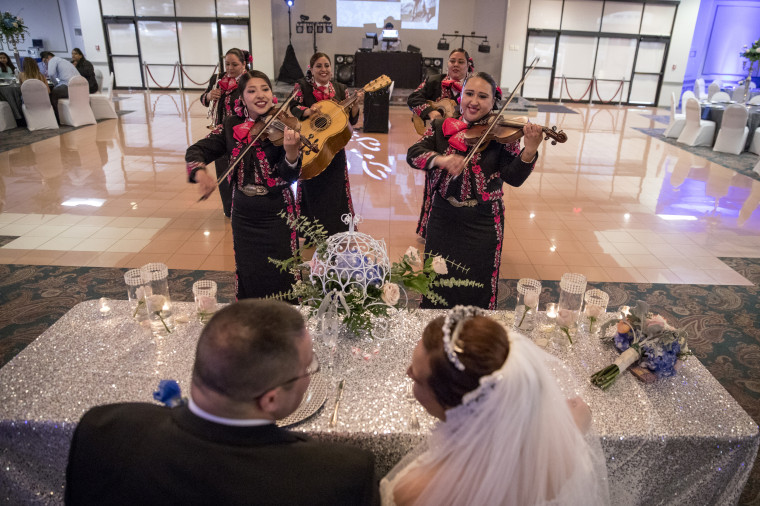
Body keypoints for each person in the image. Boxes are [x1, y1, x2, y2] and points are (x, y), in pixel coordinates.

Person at [66, 299, 379, 505]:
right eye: (308, 368)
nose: (311, 374)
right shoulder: (340, 476)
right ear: (271, 399)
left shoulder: (103, 428)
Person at [381, 306, 609, 506]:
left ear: (455, 405)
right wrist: (574, 425)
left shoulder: (415, 491)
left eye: (417, 378)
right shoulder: (558, 458)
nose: (407, 372)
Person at [406, 72, 542, 309]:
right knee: (437, 279)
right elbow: (413, 154)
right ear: (460, 97)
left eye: (482, 96)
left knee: (479, 283)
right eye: (469, 94)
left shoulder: (503, 135)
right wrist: (441, 160)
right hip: (443, 217)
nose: (474, 101)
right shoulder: (441, 127)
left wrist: (529, 150)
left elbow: (514, 177)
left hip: (483, 221)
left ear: (493, 102)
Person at [186, 70, 301, 301]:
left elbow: (290, 176)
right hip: (244, 214)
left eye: (265, 89)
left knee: (284, 271)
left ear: (272, 94)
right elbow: (195, 150)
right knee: (250, 270)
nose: (260, 95)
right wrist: (200, 172)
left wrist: (291, 153)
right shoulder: (230, 125)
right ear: (242, 98)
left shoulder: (284, 125)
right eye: (252, 90)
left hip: (277, 212)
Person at [289, 52, 362, 235]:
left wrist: (355, 106)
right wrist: (307, 112)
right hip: (310, 145)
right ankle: (312, 231)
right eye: (319, 66)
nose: (323, 69)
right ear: (311, 69)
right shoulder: (302, 86)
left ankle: (336, 229)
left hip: (333, 147)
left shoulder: (340, 88)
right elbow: (293, 107)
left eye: (326, 65)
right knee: (311, 187)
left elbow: (350, 122)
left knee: (335, 188)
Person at [407, 48, 473, 240]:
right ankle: (429, 228)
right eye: (452, 61)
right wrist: (430, 112)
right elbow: (413, 98)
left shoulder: (474, 84)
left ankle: (459, 230)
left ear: (468, 65)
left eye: (460, 61)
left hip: (467, 140)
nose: (455, 65)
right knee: (433, 183)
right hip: (439, 140)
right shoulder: (434, 80)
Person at [199, 48, 251, 217]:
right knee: (223, 169)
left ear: (244, 64)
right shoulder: (217, 79)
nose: (230, 68)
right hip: (221, 131)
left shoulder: (249, 79)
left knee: (244, 170)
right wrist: (208, 97)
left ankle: (245, 207)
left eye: (234, 64)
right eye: (227, 64)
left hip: (243, 132)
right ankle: (229, 209)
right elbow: (203, 100)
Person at [41, 51, 79, 120]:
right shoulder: (63, 60)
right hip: (79, 87)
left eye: (44, 62)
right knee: (56, 91)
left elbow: (51, 74)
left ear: (47, 58)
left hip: (68, 86)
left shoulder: (52, 60)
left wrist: (55, 84)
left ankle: (57, 118)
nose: (45, 64)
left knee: (52, 94)